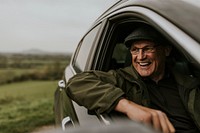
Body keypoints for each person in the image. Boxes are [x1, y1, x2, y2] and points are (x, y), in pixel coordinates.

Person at [65, 25, 200, 133]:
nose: (140, 57)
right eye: (135, 50)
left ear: (166, 51)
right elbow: (76, 83)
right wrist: (128, 107)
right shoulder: (122, 78)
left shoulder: (190, 82)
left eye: (147, 49)